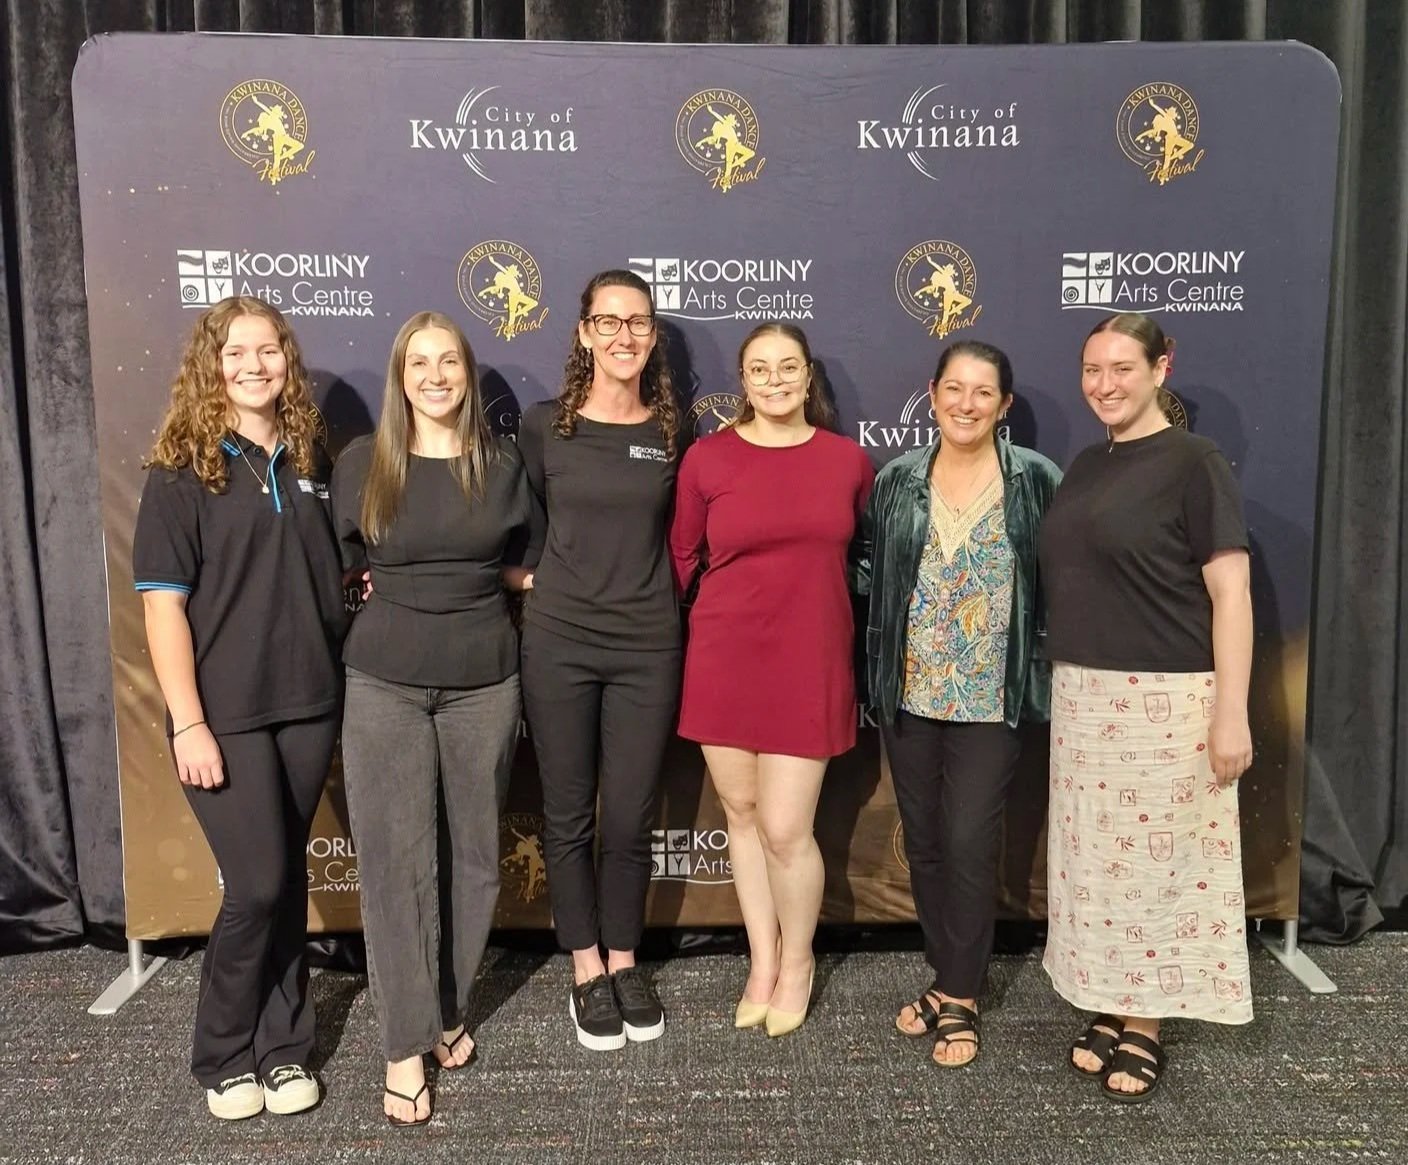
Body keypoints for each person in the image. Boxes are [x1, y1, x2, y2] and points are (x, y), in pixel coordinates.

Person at [132, 296, 345, 1120]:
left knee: (285, 877)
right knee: (255, 884)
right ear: (210, 365)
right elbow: (163, 609)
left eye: (269, 351)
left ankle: (285, 1047)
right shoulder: (180, 470)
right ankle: (224, 1050)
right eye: (236, 352)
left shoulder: (310, 456)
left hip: (309, 703)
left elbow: (320, 567)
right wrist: (188, 720)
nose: (254, 365)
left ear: (287, 360)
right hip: (224, 716)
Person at [1039, 312, 1254, 1103]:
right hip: (1085, 695)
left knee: (1160, 870)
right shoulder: (1088, 463)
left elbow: (1229, 592)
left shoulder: (1196, 462)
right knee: (1098, 869)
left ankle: (1147, 1023)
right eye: (1092, 369)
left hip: (1166, 699)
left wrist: (1230, 711)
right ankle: (1111, 998)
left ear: (1163, 367)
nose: (1104, 384)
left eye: (1122, 368)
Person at [331, 311, 529, 1126]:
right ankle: (404, 1045)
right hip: (384, 683)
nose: (436, 374)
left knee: (477, 858)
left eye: (450, 360)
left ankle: (445, 1009)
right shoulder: (360, 464)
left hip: (485, 682)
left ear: (468, 372)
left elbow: (526, 562)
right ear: (401, 374)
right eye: (421, 362)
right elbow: (337, 562)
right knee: (395, 866)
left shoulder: (504, 464)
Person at [857, 340, 1061, 1066]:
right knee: (929, 840)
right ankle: (947, 980)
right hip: (909, 693)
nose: (966, 403)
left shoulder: (1035, 480)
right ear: (933, 392)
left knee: (972, 840)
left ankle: (962, 995)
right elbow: (868, 571)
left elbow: (1065, 576)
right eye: (954, 388)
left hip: (990, 698)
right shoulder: (898, 479)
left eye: (983, 392)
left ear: (1004, 405)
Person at [670, 323, 874, 1038]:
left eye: (789, 366)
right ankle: (761, 959)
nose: (776, 379)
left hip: (809, 659)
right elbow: (684, 555)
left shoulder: (849, 462)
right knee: (743, 814)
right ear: (743, 379)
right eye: (761, 368)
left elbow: (864, 559)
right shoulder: (707, 458)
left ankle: (798, 961)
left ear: (808, 374)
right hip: (725, 657)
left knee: (789, 827)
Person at [508, 270, 683, 1052]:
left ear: (653, 336)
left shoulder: (674, 432)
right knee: (569, 812)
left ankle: (624, 956)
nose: (623, 335)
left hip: (648, 642)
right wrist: (523, 576)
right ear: (583, 332)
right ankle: (585, 965)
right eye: (607, 322)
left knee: (632, 813)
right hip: (560, 641)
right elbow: (519, 529)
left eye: (637, 323)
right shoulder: (546, 426)